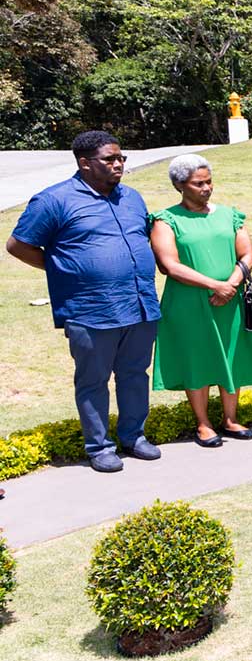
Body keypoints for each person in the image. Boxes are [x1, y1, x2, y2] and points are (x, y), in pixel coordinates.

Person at [5, 131, 163, 473]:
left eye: (121, 158)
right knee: (93, 381)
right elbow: (18, 245)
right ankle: (99, 446)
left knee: (135, 374)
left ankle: (134, 436)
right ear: (85, 163)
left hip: (139, 304)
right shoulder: (53, 200)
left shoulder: (132, 198)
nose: (119, 164)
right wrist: (65, 268)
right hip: (90, 309)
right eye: (110, 159)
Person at [150, 154, 252, 448]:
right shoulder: (166, 220)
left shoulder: (230, 215)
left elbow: (247, 255)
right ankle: (203, 424)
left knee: (231, 354)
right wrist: (214, 285)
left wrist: (230, 285)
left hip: (229, 301)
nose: (206, 188)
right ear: (179, 185)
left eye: (209, 181)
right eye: (198, 183)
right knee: (197, 359)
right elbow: (169, 265)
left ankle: (230, 419)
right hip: (188, 304)